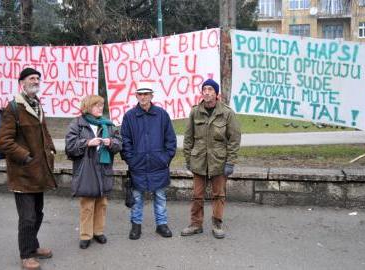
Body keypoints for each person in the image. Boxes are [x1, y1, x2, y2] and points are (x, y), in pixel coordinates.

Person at [0, 68, 56, 270]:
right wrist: (26, 157)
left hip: (38, 171)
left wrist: (51, 148)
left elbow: (44, 131)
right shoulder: (13, 108)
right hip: (22, 173)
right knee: (28, 217)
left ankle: (34, 246)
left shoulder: (36, 104)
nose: (36, 80)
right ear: (22, 82)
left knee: (38, 214)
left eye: (38, 78)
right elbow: (3, 142)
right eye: (32, 78)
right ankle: (26, 255)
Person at [181, 78, 241, 239]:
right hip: (199, 159)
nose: (207, 92)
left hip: (219, 160)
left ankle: (217, 224)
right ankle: (195, 224)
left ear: (216, 94)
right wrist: (188, 159)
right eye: (204, 89)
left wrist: (230, 162)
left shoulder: (227, 113)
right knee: (197, 195)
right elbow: (188, 138)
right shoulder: (195, 112)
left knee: (218, 194)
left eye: (210, 90)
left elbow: (234, 139)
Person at [121, 81, 177, 240]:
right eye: (140, 94)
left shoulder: (161, 114)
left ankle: (162, 224)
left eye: (146, 94)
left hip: (158, 164)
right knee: (137, 197)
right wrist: (131, 159)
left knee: (160, 197)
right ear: (136, 96)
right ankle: (136, 226)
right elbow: (125, 140)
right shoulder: (129, 116)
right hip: (138, 164)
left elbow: (170, 139)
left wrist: (165, 158)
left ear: (152, 96)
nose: (143, 97)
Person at [65, 95, 122, 249]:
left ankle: (98, 232)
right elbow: (70, 147)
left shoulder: (108, 125)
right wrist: (88, 142)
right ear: (87, 107)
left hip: (104, 168)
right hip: (87, 169)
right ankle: (85, 235)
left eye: (101, 105)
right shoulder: (77, 124)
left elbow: (119, 143)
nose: (100, 108)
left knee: (102, 203)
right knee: (87, 204)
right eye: (96, 105)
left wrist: (111, 142)